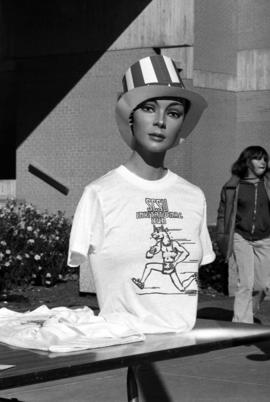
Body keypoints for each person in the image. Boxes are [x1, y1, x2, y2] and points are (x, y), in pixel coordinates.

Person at [68, 54, 215, 334]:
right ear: (131, 117)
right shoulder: (99, 195)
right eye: (149, 108)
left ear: (181, 124)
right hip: (125, 346)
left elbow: (193, 258)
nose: (160, 121)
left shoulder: (194, 196)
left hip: (184, 347)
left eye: (173, 113)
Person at [216, 145, 270, 323]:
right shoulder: (233, 186)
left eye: (264, 159)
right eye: (257, 158)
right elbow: (223, 214)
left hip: (265, 238)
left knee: (263, 284)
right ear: (247, 161)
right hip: (241, 237)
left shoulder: (268, 183)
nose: (262, 162)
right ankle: (241, 323)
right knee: (245, 283)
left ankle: (250, 312)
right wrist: (222, 236)